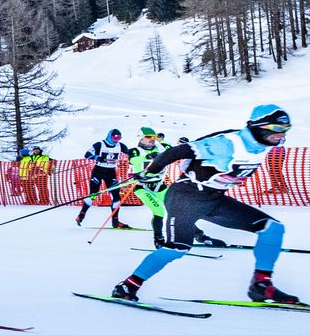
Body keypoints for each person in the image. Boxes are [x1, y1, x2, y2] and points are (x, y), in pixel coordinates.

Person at [112, 106, 298, 304]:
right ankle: (128, 285)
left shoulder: (262, 145)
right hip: (185, 198)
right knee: (178, 248)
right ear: (259, 127)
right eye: (277, 128)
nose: (281, 134)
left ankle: (261, 286)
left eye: (285, 129)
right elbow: (175, 152)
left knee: (272, 229)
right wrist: (150, 171)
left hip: (213, 200)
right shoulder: (227, 144)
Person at [78, 128, 129, 227]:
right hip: (98, 171)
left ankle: (115, 222)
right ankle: (81, 215)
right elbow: (87, 155)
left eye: (119, 138)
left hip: (111, 173)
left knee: (116, 196)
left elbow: (130, 154)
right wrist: (97, 157)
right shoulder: (99, 144)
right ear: (110, 136)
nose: (116, 139)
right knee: (93, 195)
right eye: (114, 137)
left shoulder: (121, 146)